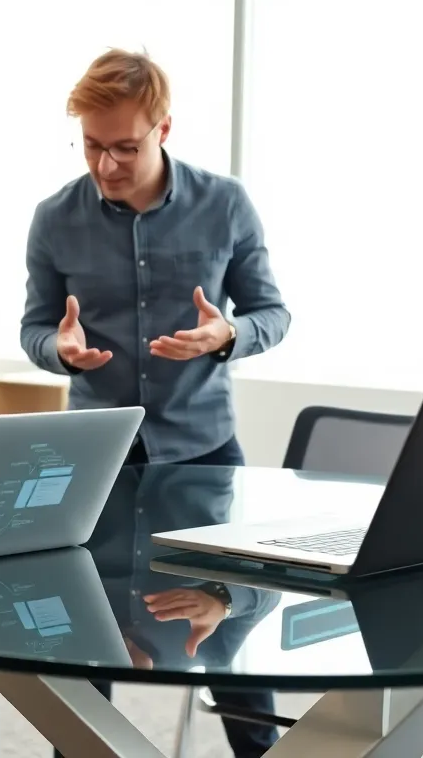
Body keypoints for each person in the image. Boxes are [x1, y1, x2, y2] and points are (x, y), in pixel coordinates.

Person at [22, 49, 289, 757]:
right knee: (87, 640)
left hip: (203, 452)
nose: (107, 164)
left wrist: (227, 334)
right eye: (92, 146)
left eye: (125, 147)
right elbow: (34, 327)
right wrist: (59, 350)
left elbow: (272, 312)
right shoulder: (54, 219)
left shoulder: (225, 203)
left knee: (225, 633)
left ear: (164, 127)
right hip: (94, 460)